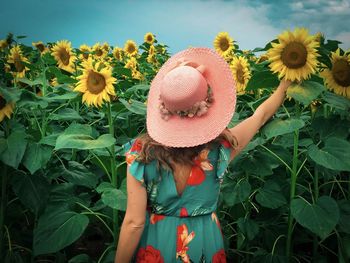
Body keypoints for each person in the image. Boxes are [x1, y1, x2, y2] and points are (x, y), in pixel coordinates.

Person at [115, 47, 292, 262]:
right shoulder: (221, 148)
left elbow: (134, 223)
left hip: (158, 241)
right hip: (203, 242)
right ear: (207, 104)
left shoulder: (141, 153)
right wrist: (284, 86)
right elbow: (260, 116)